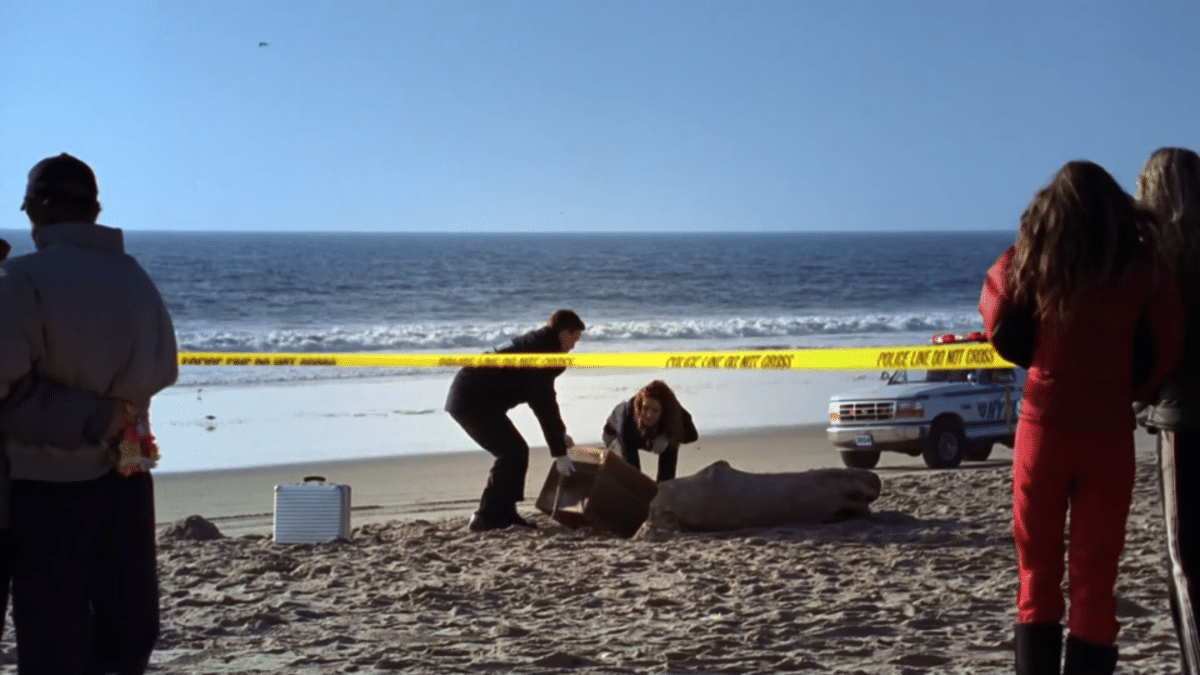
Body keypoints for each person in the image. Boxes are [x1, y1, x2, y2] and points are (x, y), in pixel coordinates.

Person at [979, 160, 1183, 675]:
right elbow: (1166, 341)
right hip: (1107, 432)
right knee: (1095, 582)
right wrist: (1132, 390)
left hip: (1042, 428)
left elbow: (997, 316)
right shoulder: (1142, 265)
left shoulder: (1033, 256)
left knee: (1036, 574)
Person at [0, 153, 179, 674]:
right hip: (128, 471)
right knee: (124, 634)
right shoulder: (135, 276)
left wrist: (88, 415)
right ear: (95, 210)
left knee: (54, 637)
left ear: (36, 210)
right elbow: (165, 368)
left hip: (43, 486)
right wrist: (114, 412)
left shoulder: (21, 280)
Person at [1134, 147, 1200, 675]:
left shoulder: (1155, 266)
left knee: (1184, 558)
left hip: (1180, 416)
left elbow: (1147, 349)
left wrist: (1138, 396)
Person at [445, 309, 584, 532]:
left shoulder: (540, 343)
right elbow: (544, 404)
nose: (573, 346)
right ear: (564, 333)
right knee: (511, 452)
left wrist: (560, 434)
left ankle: (506, 513)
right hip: (470, 399)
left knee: (516, 451)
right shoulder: (541, 353)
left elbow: (545, 399)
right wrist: (559, 451)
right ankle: (484, 517)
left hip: (476, 397)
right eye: (574, 339)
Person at [601, 380, 698, 482]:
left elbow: (692, 436)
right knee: (631, 477)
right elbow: (631, 466)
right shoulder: (627, 418)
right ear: (640, 406)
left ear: (664, 411)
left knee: (671, 441)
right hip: (616, 434)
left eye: (655, 410)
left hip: (648, 434)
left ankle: (664, 485)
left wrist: (665, 437)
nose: (649, 415)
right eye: (646, 408)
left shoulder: (673, 412)